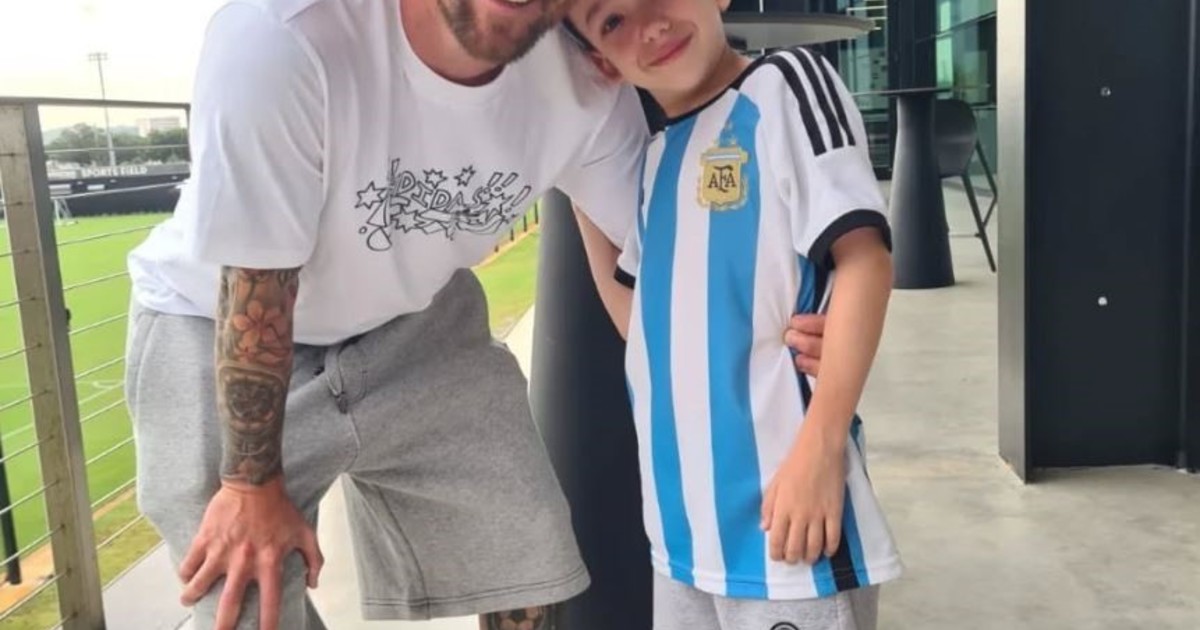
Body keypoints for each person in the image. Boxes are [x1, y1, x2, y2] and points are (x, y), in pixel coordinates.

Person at [124, 0, 829, 627]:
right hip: (219, 327)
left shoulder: (581, 77)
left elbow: (671, 263)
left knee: (530, 557)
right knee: (247, 601)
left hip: (414, 322)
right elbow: (257, 289)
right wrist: (249, 484)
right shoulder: (280, 38)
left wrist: (790, 325)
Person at [564, 0, 903, 628]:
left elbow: (865, 258)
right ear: (600, 61)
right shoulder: (656, 161)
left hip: (788, 526)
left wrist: (820, 450)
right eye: (612, 21)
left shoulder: (785, 87)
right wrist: (576, 187)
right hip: (681, 539)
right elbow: (645, 327)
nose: (651, 25)